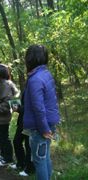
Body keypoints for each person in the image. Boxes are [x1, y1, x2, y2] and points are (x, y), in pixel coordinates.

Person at [23, 45, 60, 180]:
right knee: (45, 158)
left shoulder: (35, 79)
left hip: (41, 127)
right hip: (48, 123)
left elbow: (38, 108)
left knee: (39, 161)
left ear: (31, 58)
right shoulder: (45, 73)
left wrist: (44, 129)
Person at [0, 64, 19, 166]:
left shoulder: (5, 85)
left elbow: (8, 102)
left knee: (4, 138)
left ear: (0, 73)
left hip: (2, 117)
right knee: (0, 137)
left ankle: (8, 158)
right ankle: (3, 154)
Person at [10, 92, 35, 176]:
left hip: (31, 123)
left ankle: (30, 169)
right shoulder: (27, 88)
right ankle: (21, 163)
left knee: (29, 146)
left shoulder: (37, 88)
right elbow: (23, 103)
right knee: (16, 142)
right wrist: (16, 105)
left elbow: (33, 107)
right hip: (22, 122)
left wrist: (18, 108)